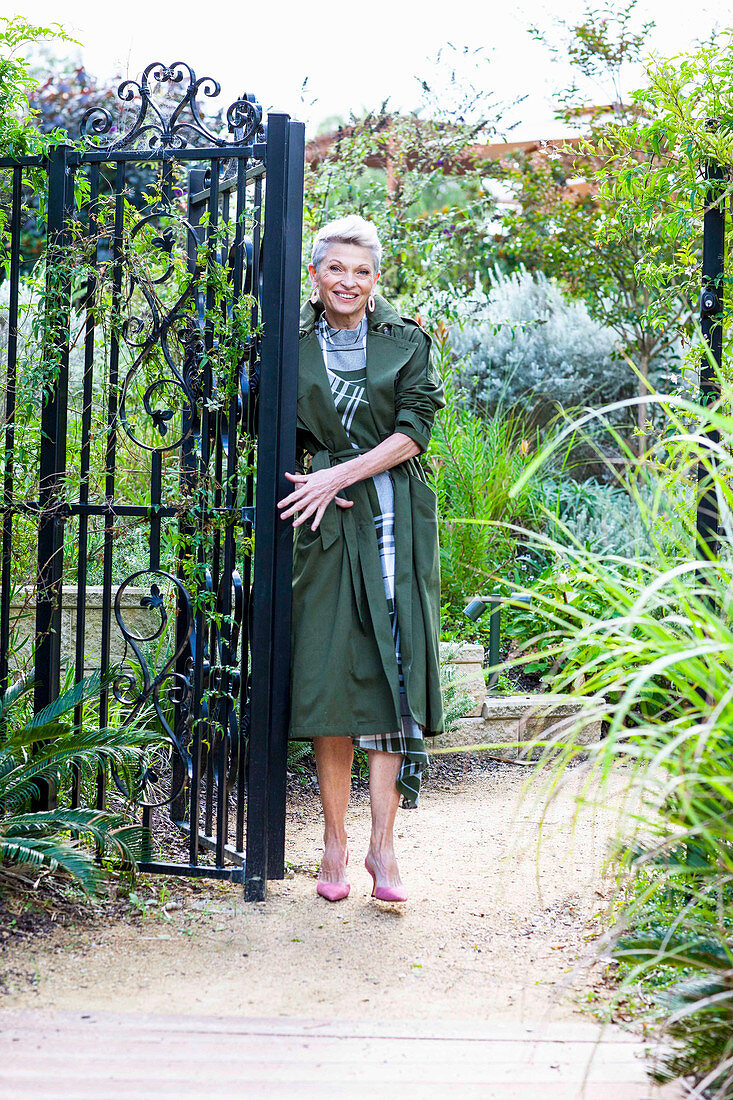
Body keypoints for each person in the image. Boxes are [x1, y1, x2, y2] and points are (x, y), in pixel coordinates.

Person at [277, 214, 445, 903]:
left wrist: (338, 474)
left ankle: (383, 849)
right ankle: (333, 842)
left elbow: (415, 431)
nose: (348, 281)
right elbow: (277, 436)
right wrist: (312, 481)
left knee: (392, 675)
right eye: (335, 268)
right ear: (314, 276)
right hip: (326, 519)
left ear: (376, 280)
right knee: (328, 677)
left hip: (394, 518)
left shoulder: (406, 340)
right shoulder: (286, 347)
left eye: (362, 270)